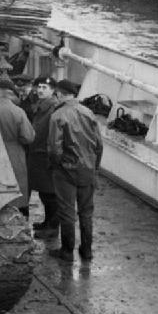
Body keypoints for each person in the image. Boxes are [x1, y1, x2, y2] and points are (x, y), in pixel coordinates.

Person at [47, 79, 104, 263]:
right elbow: (99, 145)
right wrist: (95, 168)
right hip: (87, 169)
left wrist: (56, 165)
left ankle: (67, 251)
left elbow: (54, 149)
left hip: (66, 171)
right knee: (86, 212)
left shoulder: (57, 116)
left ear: (60, 94)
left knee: (67, 212)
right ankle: (86, 251)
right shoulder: (88, 112)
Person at [0, 78, 35, 216]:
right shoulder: (18, 111)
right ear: (11, 94)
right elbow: (28, 137)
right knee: (15, 188)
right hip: (14, 153)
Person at [27, 76, 60, 236]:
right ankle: (47, 222)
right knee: (44, 192)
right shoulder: (41, 105)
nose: (40, 90)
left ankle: (53, 227)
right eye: (39, 87)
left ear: (53, 91)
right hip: (37, 155)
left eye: (44, 88)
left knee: (50, 193)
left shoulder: (53, 109)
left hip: (46, 155)